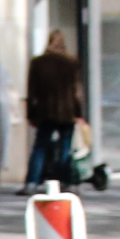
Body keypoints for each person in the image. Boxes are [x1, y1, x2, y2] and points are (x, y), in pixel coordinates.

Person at [24, 29, 85, 191]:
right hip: (67, 112)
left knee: (40, 147)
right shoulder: (71, 62)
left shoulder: (38, 63)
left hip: (45, 112)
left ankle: (31, 182)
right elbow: (77, 92)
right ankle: (66, 183)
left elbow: (32, 91)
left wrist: (31, 115)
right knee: (65, 147)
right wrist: (79, 113)